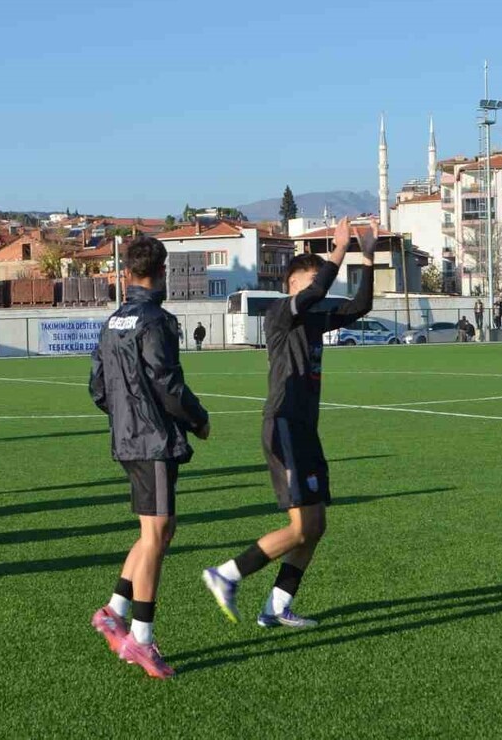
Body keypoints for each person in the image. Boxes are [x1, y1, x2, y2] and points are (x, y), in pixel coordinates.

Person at [202, 217, 376, 630]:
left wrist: (366, 258)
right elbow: (319, 290)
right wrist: (339, 249)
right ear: (293, 284)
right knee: (300, 527)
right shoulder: (282, 312)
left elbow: (360, 306)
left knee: (315, 526)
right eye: (314, 281)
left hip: (304, 428)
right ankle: (227, 574)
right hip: (282, 424)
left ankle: (277, 607)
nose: (322, 288)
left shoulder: (314, 320)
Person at [89, 235, 210, 679]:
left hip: (128, 438)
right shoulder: (156, 321)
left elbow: (98, 389)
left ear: (125, 274)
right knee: (158, 533)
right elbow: (167, 383)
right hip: (152, 441)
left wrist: (125, 416)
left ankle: (113, 610)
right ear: (163, 274)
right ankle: (141, 640)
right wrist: (198, 419)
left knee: (159, 528)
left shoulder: (112, 322)